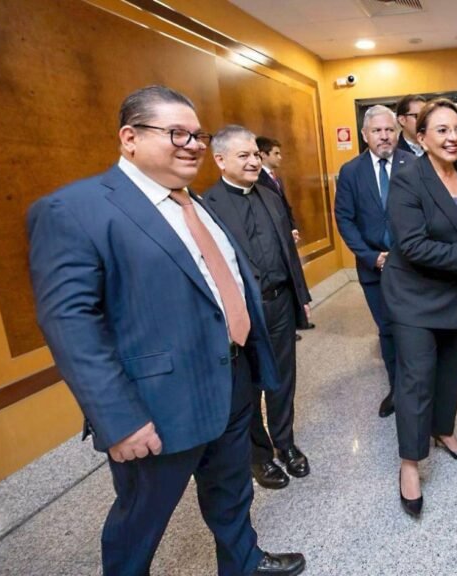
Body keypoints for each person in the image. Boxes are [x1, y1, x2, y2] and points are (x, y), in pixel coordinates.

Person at [27, 86, 305, 576]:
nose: (194, 144)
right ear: (129, 138)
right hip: (156, 407)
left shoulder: (196, 203)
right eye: (177, 133)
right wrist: (118, 420)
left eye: (199, 135)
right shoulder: (75, 209)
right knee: (141, 520)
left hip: (234, 382)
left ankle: (242, 562)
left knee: (232, 491)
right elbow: (71, 325)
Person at [382, 98, 457, 517]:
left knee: (452, 369)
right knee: (416, 380)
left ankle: (444, 431)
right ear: (421, 137)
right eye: (442, 131)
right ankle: (410, 464)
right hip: (415, 296)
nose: (453, 138)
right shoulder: (408, 179)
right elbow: (411, 245)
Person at [204, 126, 312, 491]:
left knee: (283, 381)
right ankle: (259, 456)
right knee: (248, 388)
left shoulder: (270, 195)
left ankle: (286, 443)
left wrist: (302, 298)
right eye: (243, 156)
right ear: (220, 160)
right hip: (242, 312)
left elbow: (287, 251)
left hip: (280, 303)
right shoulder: (207, 206)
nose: (254, 161)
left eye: (255, 154)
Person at [335, 105, 415, 418]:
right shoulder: (351, 171)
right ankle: (396, 389)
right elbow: (344, 219)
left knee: (414, 328)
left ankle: (417, 387)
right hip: (374, 267)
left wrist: (409, 252)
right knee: (388, 329)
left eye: (389, 130)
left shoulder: (414, 165)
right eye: (377, 131)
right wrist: (371, 257)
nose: (384, 136)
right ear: (365, 135)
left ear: (397, 132)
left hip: (412, 265)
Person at [256, 136, 298, 242]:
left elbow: (284, 205)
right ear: (263, 155)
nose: (280, 157)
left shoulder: (276, 178)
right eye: (276, 153)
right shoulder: (257, 179)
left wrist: (292, 227)